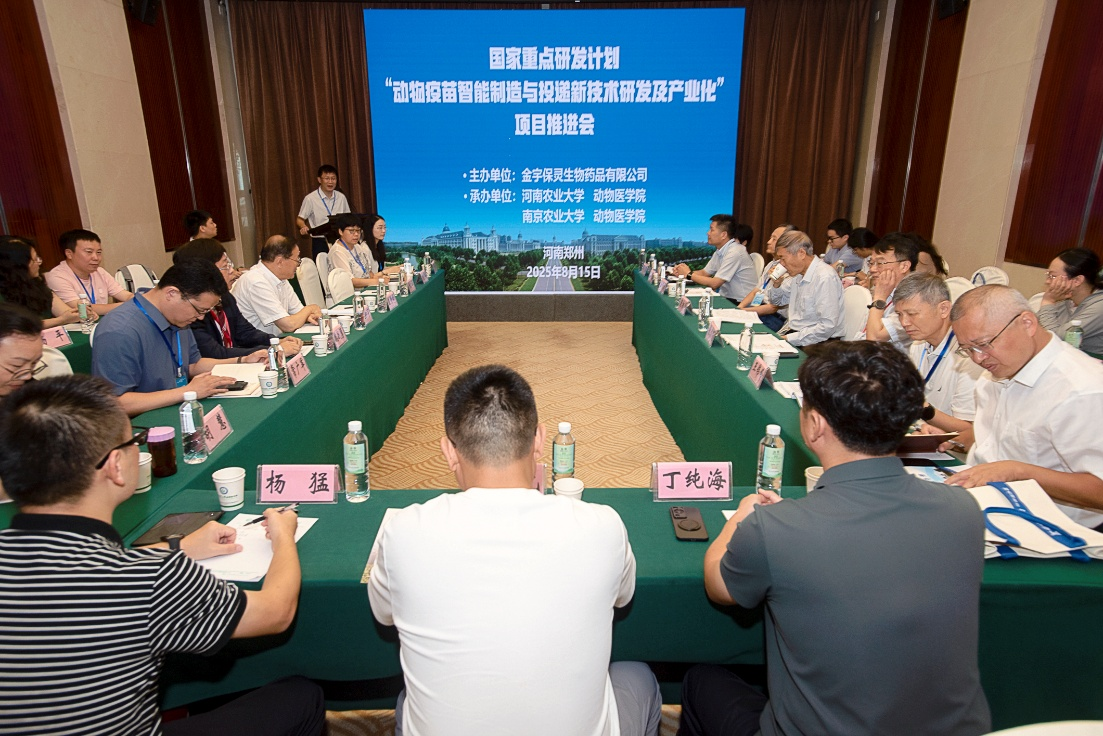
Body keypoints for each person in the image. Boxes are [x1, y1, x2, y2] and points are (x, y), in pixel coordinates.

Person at [680, 341, 990, 736]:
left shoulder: (773, 530)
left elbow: (718, 584)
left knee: (701, 681)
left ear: (814, 424)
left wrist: (741, 519)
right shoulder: (963, 509)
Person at [0, 375, 324, 736]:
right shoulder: (153, 578)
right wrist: (283, 537)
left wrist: (179, 546)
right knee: (300, 697)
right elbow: (275, 612)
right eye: (134, 442)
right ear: (115, 466)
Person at [368, 365, 661, 736]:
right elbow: (623, 597)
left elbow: (384, 614)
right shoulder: (603, 526)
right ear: (539, 440)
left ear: (448, 452)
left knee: (406, 700)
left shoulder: (401, 532)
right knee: (638, 677)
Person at [946, 285, 1103, 529]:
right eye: (967, 350)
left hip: (1056, 528)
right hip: (987, 505)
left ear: (1027, 323)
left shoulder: (1081, 390)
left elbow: (1099, 489)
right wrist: (953, 438)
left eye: (984, 344)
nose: (978, 358)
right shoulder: (997, 372)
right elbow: (1000, 437)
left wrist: (1018, 472)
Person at [92, 259, 268, 416]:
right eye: (200, 310)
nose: (201, 318)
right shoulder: (119, 331)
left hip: (177, 407)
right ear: (172, 293)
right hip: (144, 425)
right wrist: (186, 392)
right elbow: (115, 403)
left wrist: (243, 360)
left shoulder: (178, 317)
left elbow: (193, 364)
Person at [173, 239, 302, 360]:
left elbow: (245, 332)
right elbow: (215, 353)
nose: (232, 271)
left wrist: (276, 341)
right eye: (226, 266)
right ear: (204, 271)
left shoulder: (226, 297)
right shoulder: (191, 311)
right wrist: (272, 350)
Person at [894, 273, 983, 434]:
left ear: (943, 309)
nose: (904, 322)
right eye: (899, 314)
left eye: (912, 314)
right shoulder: (918, 345)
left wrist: (922, 408)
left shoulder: (970, 355)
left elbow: (969, 431)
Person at [232, 236, 323, 337]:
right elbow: (288, 325)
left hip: (275, 340)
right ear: (280, 262)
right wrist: (310, 308)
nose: (298, 265)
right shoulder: (255, 281)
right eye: (297, 259)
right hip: (257, 344)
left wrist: (308, 315)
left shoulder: (281, 278)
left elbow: (299, 312)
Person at [775, 230, 844, 346]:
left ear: (801, 253)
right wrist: (776, 285)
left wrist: (788, 338)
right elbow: (777, 302)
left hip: (818, 343)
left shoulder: (824, 277)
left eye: (783, 258)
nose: (781, 264)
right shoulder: (798, 274)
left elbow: (827, 326)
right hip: (796, 334)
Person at [44, 229, 134, 316]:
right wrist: (128, 305)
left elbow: (126, 295)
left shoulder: (99, 271)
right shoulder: (57, 277)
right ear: (69, 254)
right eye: (89, 252)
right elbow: (82, 309)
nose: (96, 257)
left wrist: (134, 299)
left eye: (98, 252)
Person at [0, 236, 83, 328]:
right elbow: (18, 326)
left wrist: (80, 313)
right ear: (18, 265)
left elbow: (64, 311)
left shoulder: (36, 282)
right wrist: (60, 320)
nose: (39, 263)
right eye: (34, 260)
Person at [671, 215, 757, 304]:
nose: (708, 233)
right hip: (727, 298)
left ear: (723, 235)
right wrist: (682, 273)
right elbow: (704, 273)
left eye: (712, 230)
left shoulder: (735, 252)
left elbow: (715, 283)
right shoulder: (720, 250)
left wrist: (688, 274)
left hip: (742, 302)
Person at [1037, 247, 1103, 354]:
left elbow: (1054, 340)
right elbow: (1034, 328)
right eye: (1048, 275)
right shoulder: (1067, 300)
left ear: (1077, 280)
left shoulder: (1100, 306)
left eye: (1052, 276)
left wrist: (1048, 301)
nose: (1047, 281)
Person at [862, 231, 919, 347]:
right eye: (871, 263)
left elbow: (874, 339)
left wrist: (879, 298)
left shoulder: (914, 297)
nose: (872, 269)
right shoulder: (887, 289)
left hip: (889, 356)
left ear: (904, 266)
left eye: (880, 263)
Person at [738, 224, 794, 332]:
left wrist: (743, 312)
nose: (768, 242)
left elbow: (773, 307)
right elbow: (756, 290)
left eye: (774, 239)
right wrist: (739, 308)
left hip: (773, 318)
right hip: (757, 309)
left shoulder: (791, 270)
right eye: (770, 238)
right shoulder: (771, 264)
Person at [326, 214, 398, 288]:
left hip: (363, 289)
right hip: (347, 293)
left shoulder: (357, 247)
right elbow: (350, 281)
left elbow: (369, 273)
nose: (356, 234)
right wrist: (378, 281)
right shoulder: (337, 252)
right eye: (351, 231)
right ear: (341, 231)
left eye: (358, 230)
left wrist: (382, 278)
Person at [296, 164, 350, 257]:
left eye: (333, 178)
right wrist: (303, 226)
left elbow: (348, 218)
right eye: (327, 178)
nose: (330, 182)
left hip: (340, 240)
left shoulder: (341, 197)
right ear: (319, 180)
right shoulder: (310, 198)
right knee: (322, 265)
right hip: (320, 241)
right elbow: (300, 219)